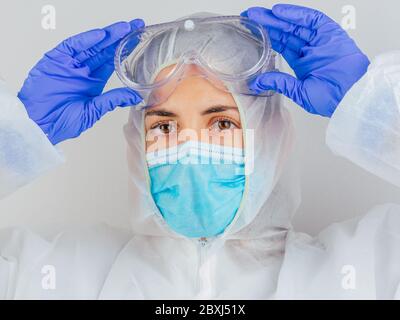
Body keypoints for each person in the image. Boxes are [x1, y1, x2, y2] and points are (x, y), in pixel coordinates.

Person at [0, 4, 399, 299]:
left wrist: (373, 109)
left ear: (273, 135)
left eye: (222, 123)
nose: (190, 146)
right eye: (164, 126)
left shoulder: (362, 271)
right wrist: (15, 138)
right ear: (137, 142)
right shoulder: (57, 275)